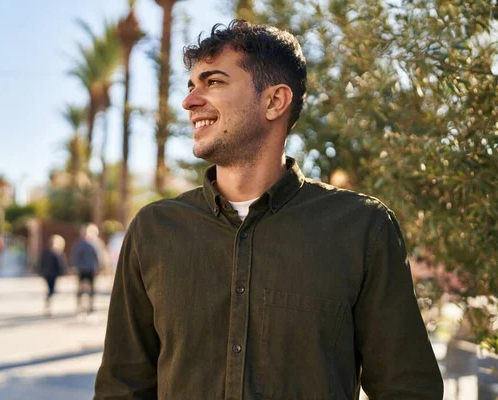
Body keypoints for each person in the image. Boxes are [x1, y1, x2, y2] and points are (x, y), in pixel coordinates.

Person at [94, 20, 443, 399]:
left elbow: (407, 388)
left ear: (275, 101)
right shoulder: (154, 229)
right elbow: (122, 386)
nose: (190, 101)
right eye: (191, 85)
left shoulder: (363, 228)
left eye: (213, 82)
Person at [72, 223, 101, 313]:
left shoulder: (92, 244)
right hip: (86, 269)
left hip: (88, 269)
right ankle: (82, 303)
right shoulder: (85, 244)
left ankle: (88, 304)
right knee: (83, 287)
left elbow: (97, 257)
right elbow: (76, 256)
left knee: (88, 287)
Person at [38, 234, 66, 315]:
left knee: (51, 290)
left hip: (49, 274)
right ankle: (49, 301)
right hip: (51, 274)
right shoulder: (54, 253)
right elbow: (60, 264)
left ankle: (48, 300)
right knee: (52, 290)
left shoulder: (52, 253)